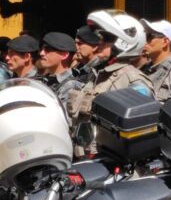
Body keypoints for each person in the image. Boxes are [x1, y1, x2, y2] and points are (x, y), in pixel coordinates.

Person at [66, 10, 154, 152]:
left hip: (112, 164)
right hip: (84, 160)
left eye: (106, 38)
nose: (98, 43)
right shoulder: (96, 76)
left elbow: (142, 130)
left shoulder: (133, 80)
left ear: (124, 43)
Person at [39, 32, 83, 104]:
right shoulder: (44, 80)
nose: (41, 53)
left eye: (48, 49)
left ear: (64, 55)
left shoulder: (71, 86)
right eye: (42, 48)